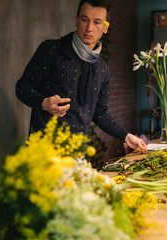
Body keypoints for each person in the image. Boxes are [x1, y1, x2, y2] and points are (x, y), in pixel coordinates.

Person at [16, 0, 147, 153]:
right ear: (76, 20)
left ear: (105, 28)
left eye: (97, 22)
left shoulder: (103, 69)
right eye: (85, 20)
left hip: (77, 154)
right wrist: (43, 102)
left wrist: (126, 136)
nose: (89, 28)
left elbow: (100, 113)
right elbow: (22, 88)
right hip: (42, 152)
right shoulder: (51, 49)